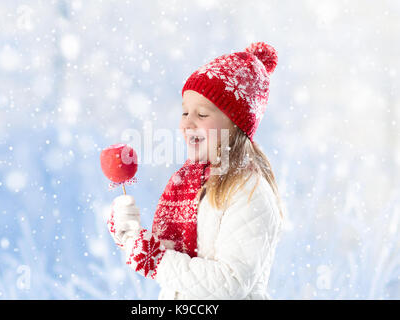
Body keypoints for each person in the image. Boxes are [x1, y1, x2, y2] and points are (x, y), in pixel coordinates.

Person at [107, 42, 284, 299]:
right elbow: (176, 265)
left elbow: (230, 283)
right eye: (185, 112)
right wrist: (131, 237)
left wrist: (153, 258)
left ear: (235, 125)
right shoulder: (193, 183)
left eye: (202, 114)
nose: (186, 123)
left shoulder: (249, 191)